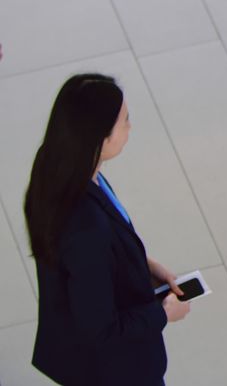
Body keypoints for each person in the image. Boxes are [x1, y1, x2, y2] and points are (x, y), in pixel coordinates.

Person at [25, 74, 190, 385]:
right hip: (112, 372)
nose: (130, 128)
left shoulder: (59, 166)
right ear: (100, 136)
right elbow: (102, 329)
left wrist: (143, 264)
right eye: (125, 121)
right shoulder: (86, 229)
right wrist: (164, 314)